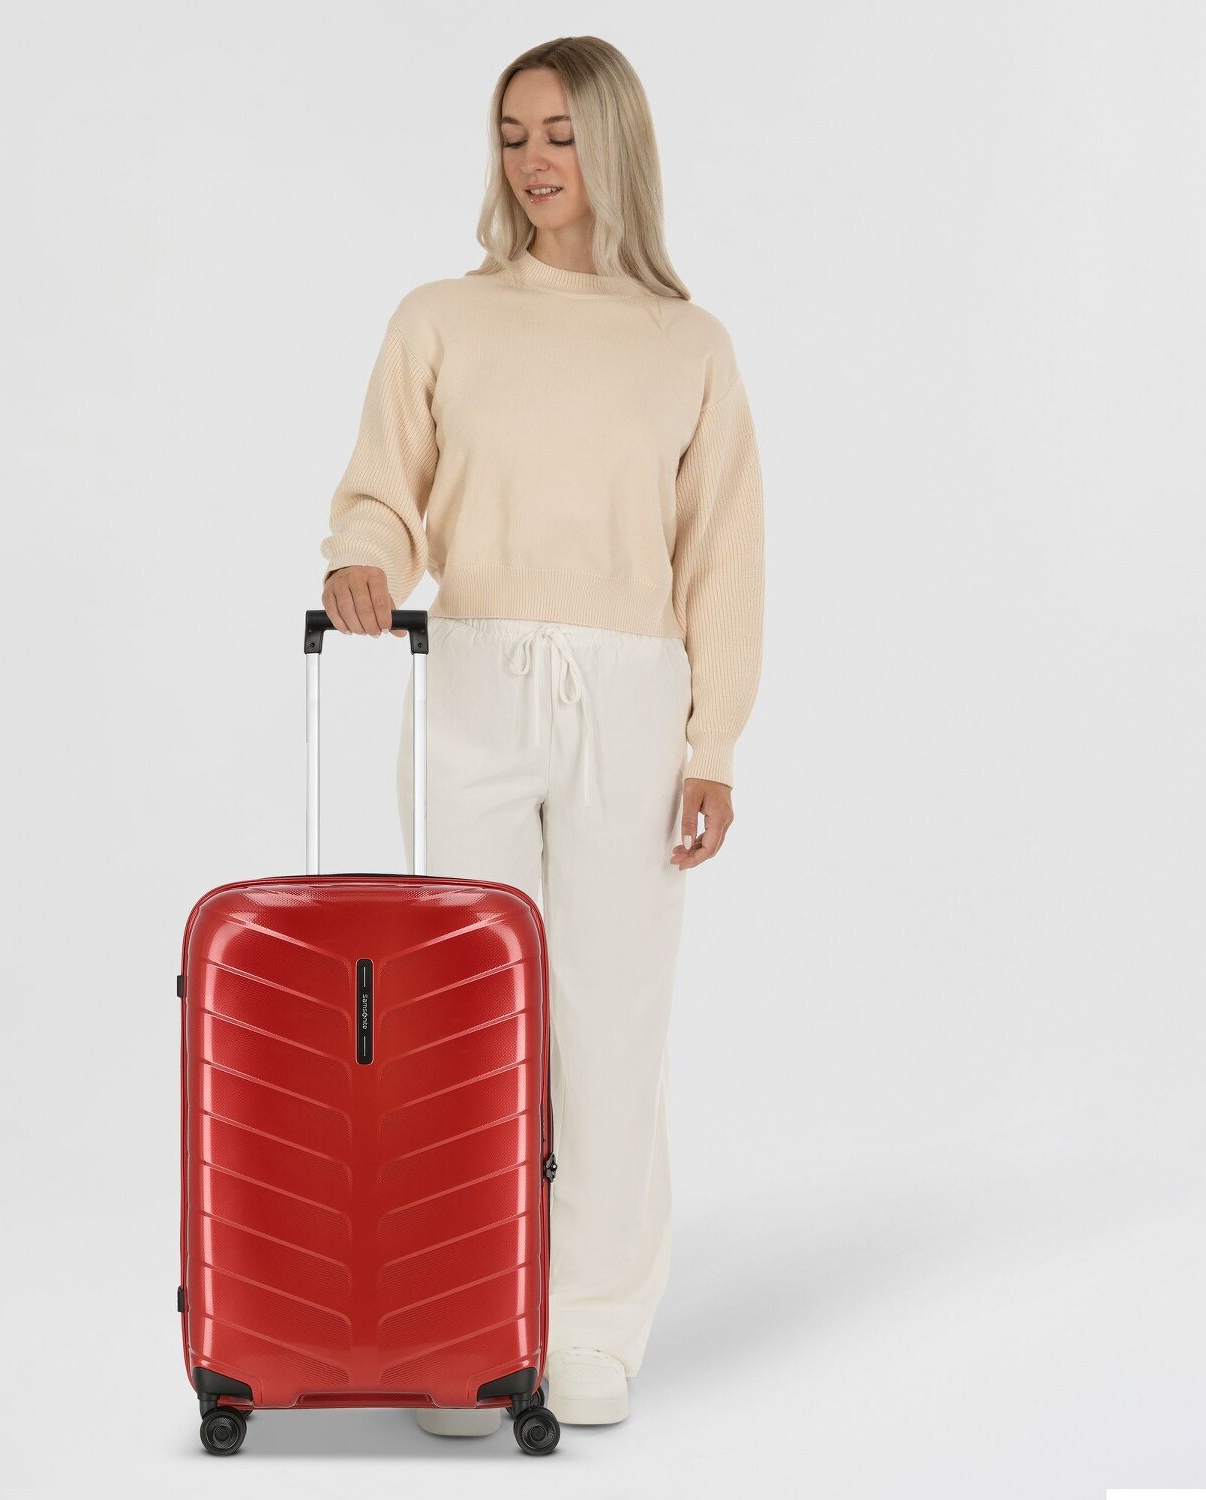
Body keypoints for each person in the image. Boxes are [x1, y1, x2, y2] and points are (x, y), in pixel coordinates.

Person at [318, 35, 765, 1436]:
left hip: (632, 699)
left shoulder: (687, 343)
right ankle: (465, 1318)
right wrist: (364, 560)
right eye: (513, 134)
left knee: (610, 1018)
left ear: (616, 141)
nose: (534, 161)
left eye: (561, 132)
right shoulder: (441, 318)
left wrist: (713, 743)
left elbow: (724, 557)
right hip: (473, 677)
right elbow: (383, 490)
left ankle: (589, 1327)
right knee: (460, 1015)